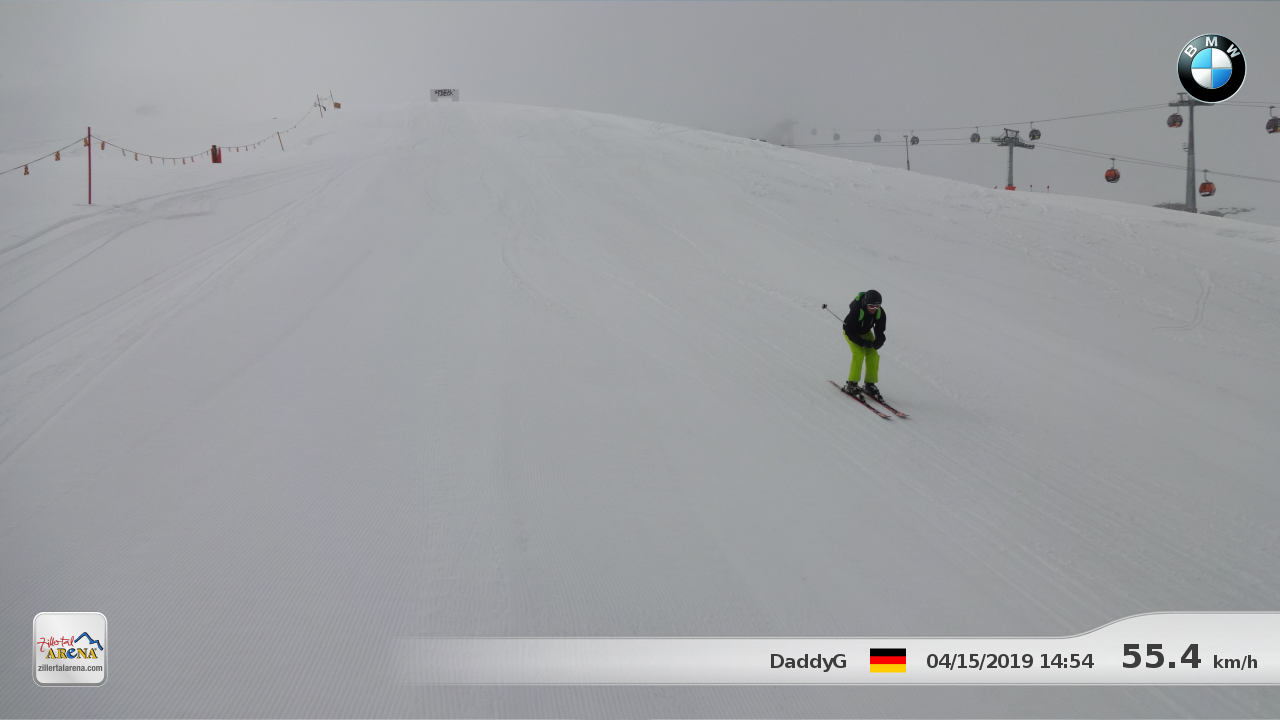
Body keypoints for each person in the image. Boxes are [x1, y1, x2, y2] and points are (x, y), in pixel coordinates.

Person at [842, 290, 886, 398]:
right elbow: (848, 330)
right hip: (851, 333)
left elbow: (880, 330)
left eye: (877, 306)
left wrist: (879, 341)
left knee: (873, 355)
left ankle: (869, 384)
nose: (874, 309)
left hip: (865, 332)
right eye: (872, 306)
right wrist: (862, 342)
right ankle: (852, 384)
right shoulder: (857, 310)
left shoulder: (880, 312)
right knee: (859, 353)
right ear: (866, 304)